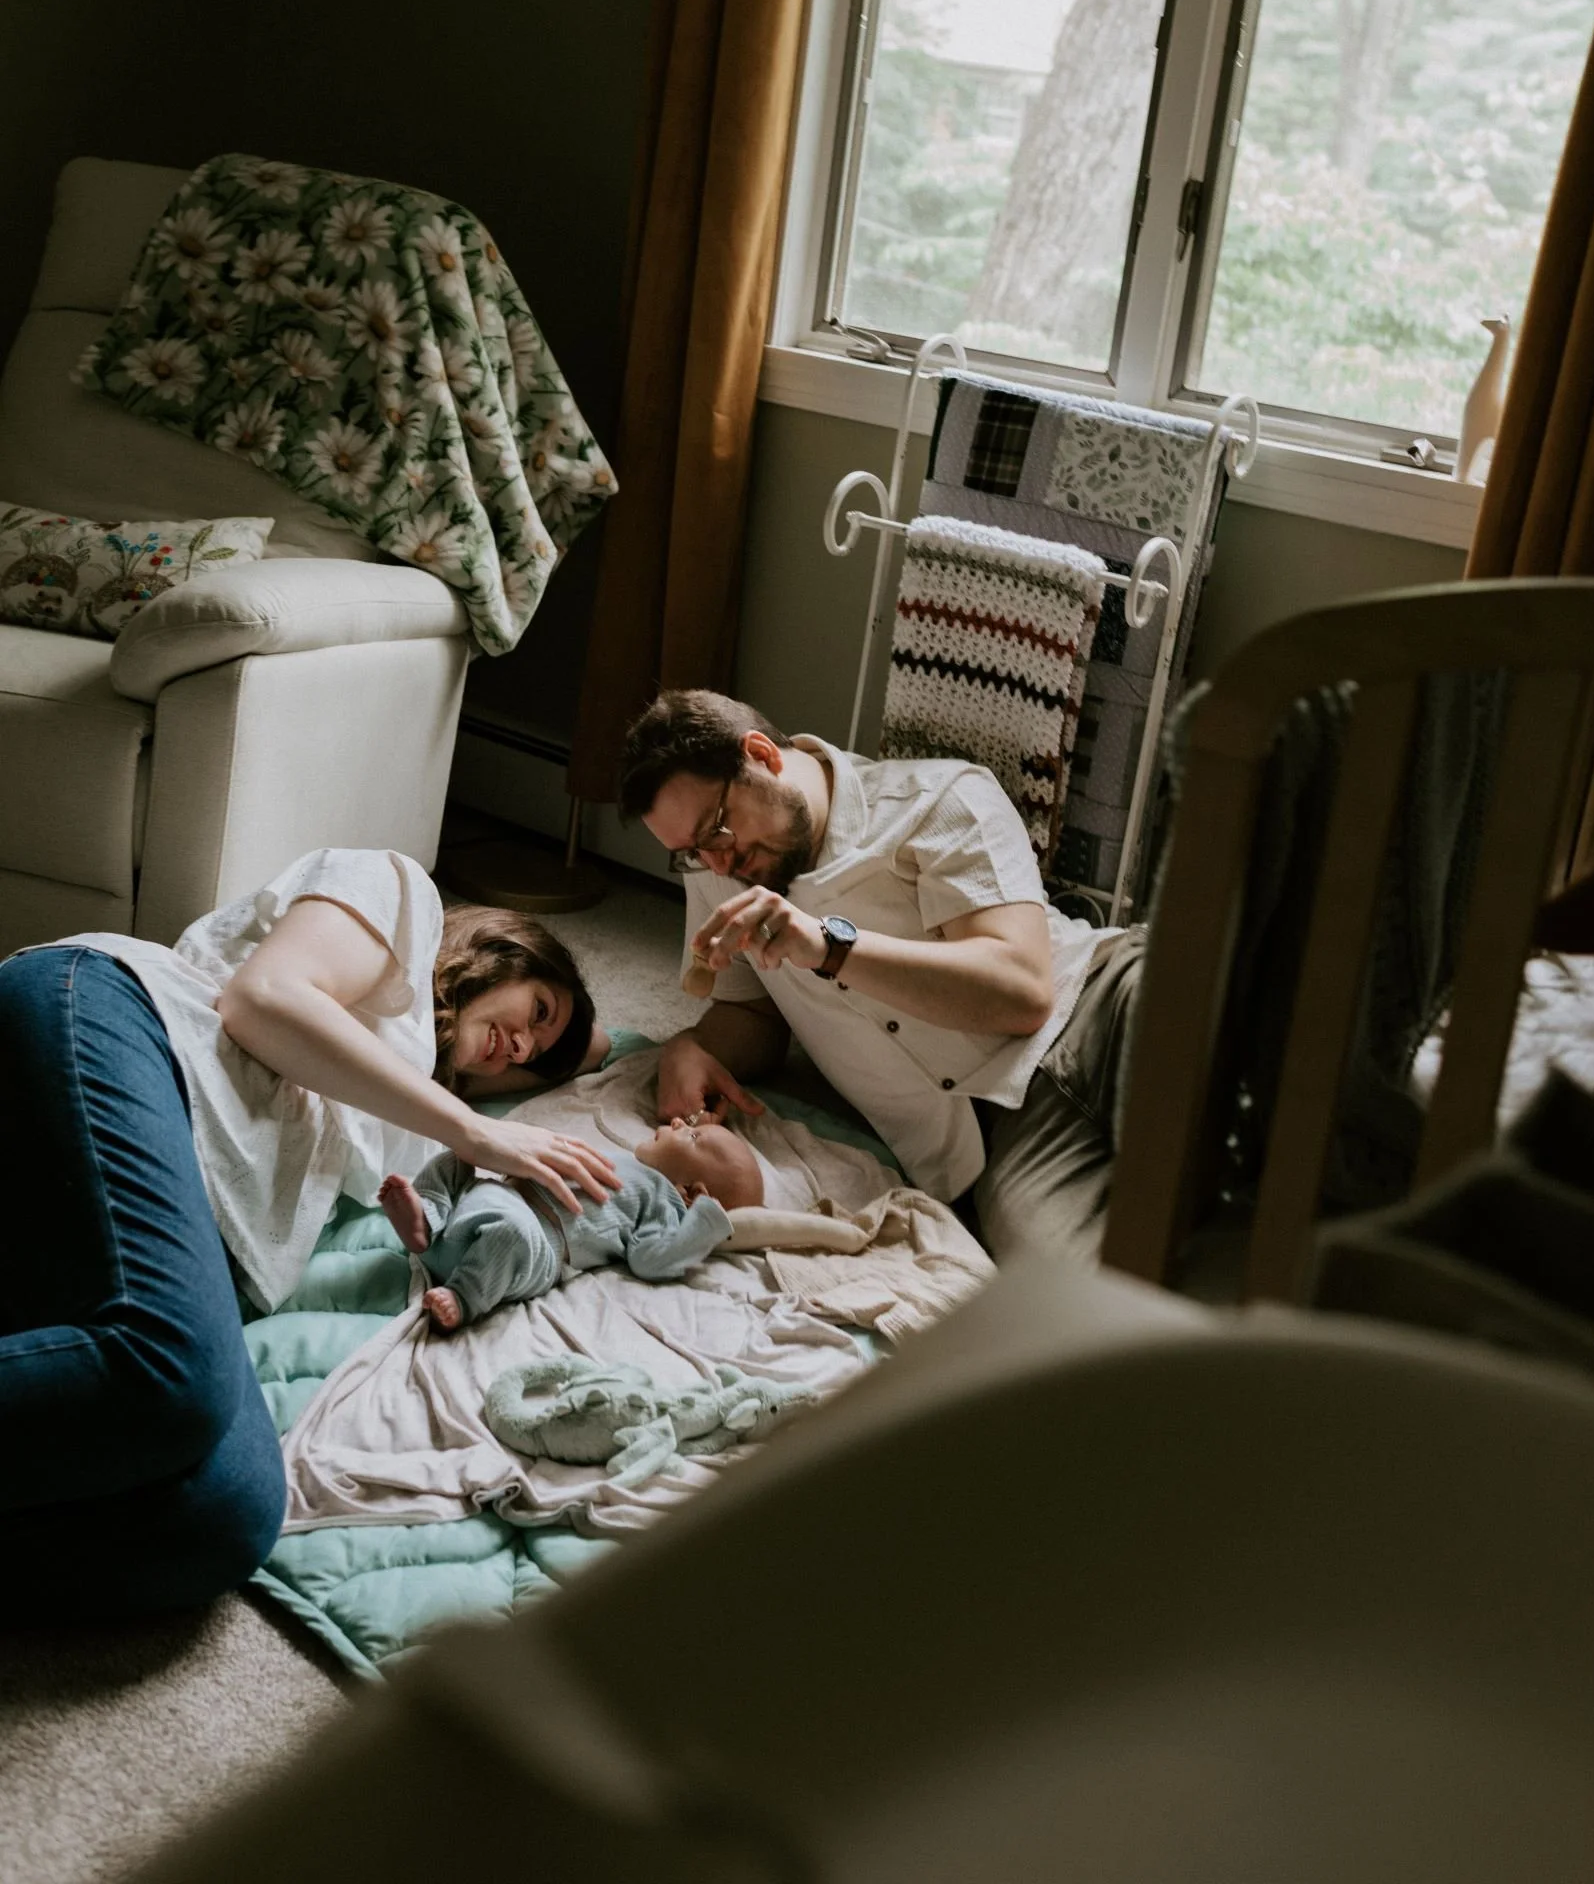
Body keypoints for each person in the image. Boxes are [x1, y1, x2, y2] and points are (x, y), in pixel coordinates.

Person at [0, 850, 620, 1624]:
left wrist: (615, 1058)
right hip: (121, 1026)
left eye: (533, 1059)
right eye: (539, 1010)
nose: (525, 1047)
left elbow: (601, 1052)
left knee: (226, 1518)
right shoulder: (402, 899)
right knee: (171, 1370)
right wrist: (474, 1132)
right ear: (502, 953)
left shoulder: (410, 1115)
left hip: (157, 1210)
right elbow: (260, 1000)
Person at [619, 690, 1137, 1261]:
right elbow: (754, 1013)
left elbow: (1024, 993)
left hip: (1100, 998)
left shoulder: (939, 799)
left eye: (717, 830)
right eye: (692, 852)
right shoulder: (721, 873)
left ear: (762, 755)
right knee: (1076, 1292)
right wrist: (693, 1047)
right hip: (1000, 1136)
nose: (717, 863)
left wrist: (831, 947)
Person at [378, 1116, 766, 1332]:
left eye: (693, 1134)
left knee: (509, 1234)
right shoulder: (627, 1163)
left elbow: (651, 1260)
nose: (680, 1121)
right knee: (457, 1156)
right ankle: (426, 1221)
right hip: (491, 1199)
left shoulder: (662, 1200)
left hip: (536, 1246)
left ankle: (463, 1299)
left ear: (691, 1192)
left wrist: (706, 1224)